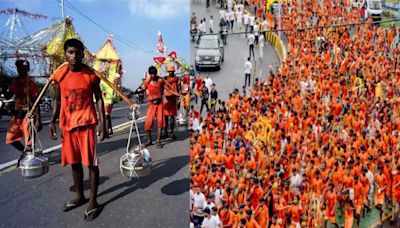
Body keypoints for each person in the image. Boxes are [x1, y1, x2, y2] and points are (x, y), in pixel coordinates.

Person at [49, 38, 106, 221]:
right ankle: (80, 196)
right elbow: (58, 100)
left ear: (83, 54)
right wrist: (52, 121)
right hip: (68, 125)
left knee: (91, 163)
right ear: (65, 54)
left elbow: (99, 99)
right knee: (74, 163)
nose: (74, 56)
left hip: (87, 124)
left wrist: (103, 123)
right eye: (70, 52)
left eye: (77, 52)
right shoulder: (60, 75)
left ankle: (93, 201)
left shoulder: (91, 75)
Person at [5, 59, 41, 167]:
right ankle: (24, 152)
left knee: (30, 142)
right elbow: (8, 96)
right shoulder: (14, 82)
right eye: (20, 68)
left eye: (25, 68)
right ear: (17, 69)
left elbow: (36, 101)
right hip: (17, 115)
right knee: (10, 139)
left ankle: (30, 161)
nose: (22, 70)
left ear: (28, 69)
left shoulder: (31, 83)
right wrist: (3, 85)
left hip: (28, 115)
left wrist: (38, 120)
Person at [143, 66, 165, 148]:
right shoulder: (148, 81)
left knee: (160, 121)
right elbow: (144, 87)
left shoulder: (160, 80)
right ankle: (149, 140)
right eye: (151, 74)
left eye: (154, 74)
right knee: (148, 123)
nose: (153, 76)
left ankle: (158, 140)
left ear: (156, 73)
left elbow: (162, 89)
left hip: (159, 103)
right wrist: (147, 80)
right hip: (151, 104)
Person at [163, 64, 180, 140]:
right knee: (165, 117)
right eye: (169, 71)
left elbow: (178, 89)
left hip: (173, 99)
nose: (170, 73)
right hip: (166, 99)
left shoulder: (177, 79)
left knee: (172, 117)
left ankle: (172, 132)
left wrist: (179, 99)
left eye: (171, 71)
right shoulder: (165, 79)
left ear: (174, 71)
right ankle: (165, 132)